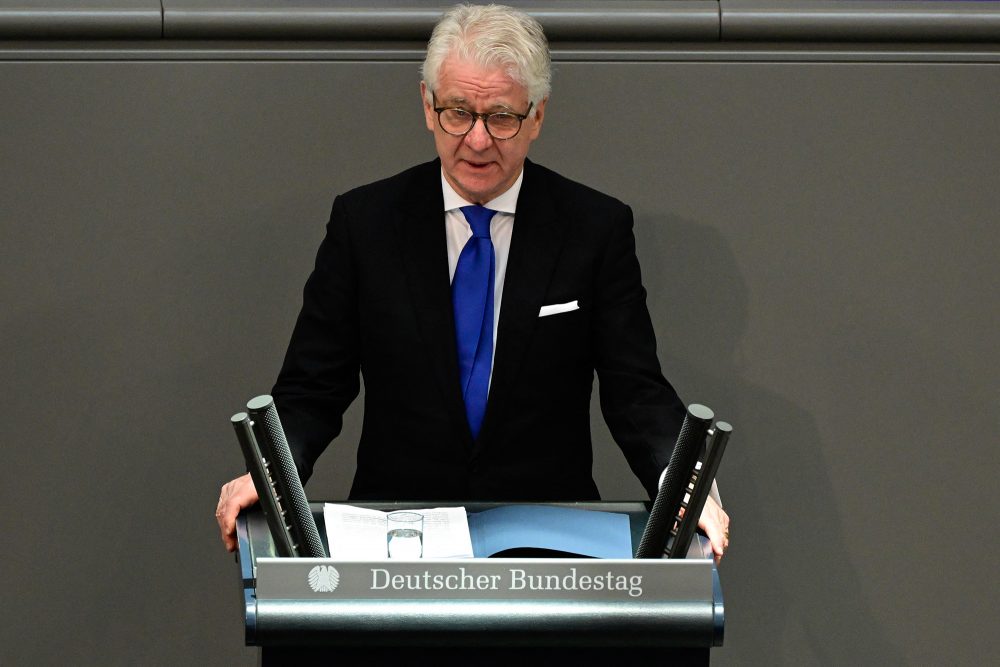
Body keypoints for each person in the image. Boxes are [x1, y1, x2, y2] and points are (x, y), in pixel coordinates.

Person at [216, 3, 730, 560]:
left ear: (537, 117)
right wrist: (266, 474)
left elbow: (637, 393)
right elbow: (312, 390)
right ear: (427, 107)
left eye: (502, 117)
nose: (478, 141)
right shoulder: (365, 225)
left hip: (546, 541)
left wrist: (684, 486)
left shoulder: (594, 229)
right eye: (458, 112)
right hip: (398, 541)